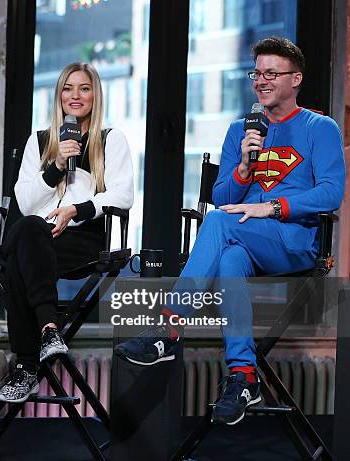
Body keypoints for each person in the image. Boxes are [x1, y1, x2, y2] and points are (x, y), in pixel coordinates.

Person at [114, 37, 345, 425]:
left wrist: (270, 206)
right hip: (245, 238)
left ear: (296, 79)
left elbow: (331, 193)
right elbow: (222, 195)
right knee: (230, 259)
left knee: (220, 223)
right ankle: (243, 376)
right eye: (257, 73)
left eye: (272, 73)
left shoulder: (320, 127)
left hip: (296, 241)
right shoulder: (241, 129)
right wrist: (242, 167)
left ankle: (168, 327)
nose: (261, 81)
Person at [0, 62, 134, 403]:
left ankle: (26, 366)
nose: (75, 96)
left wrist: (75, 210)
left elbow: (123, 194)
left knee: (16, 256)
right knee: (27, 230)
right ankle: (49, 330)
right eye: (68, 88)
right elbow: (26, 202)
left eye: (84, 88)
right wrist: (56, 167)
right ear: (59, 95)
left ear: (95, 95)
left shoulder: (109, 140)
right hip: (37, 234)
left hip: (81, 238)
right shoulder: (39, 141)